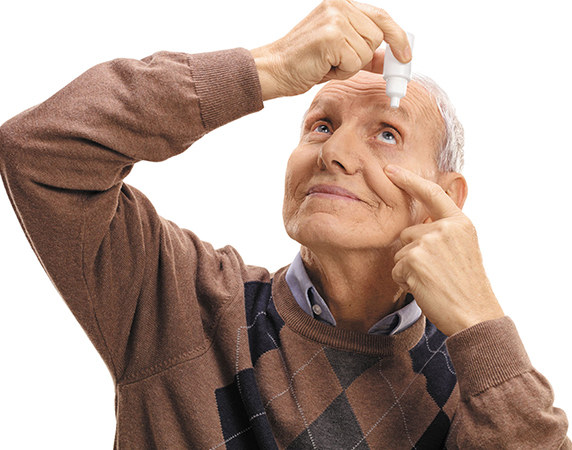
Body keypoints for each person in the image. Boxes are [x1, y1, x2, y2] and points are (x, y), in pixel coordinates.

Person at [0, 0, 569, 448]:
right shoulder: (179, 303)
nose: (335, 152)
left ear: (446, 200)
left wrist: (480, 321)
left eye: (387, 133)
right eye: (320, 125)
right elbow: (41, 151)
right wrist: (266, 67)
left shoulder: (480, 389)